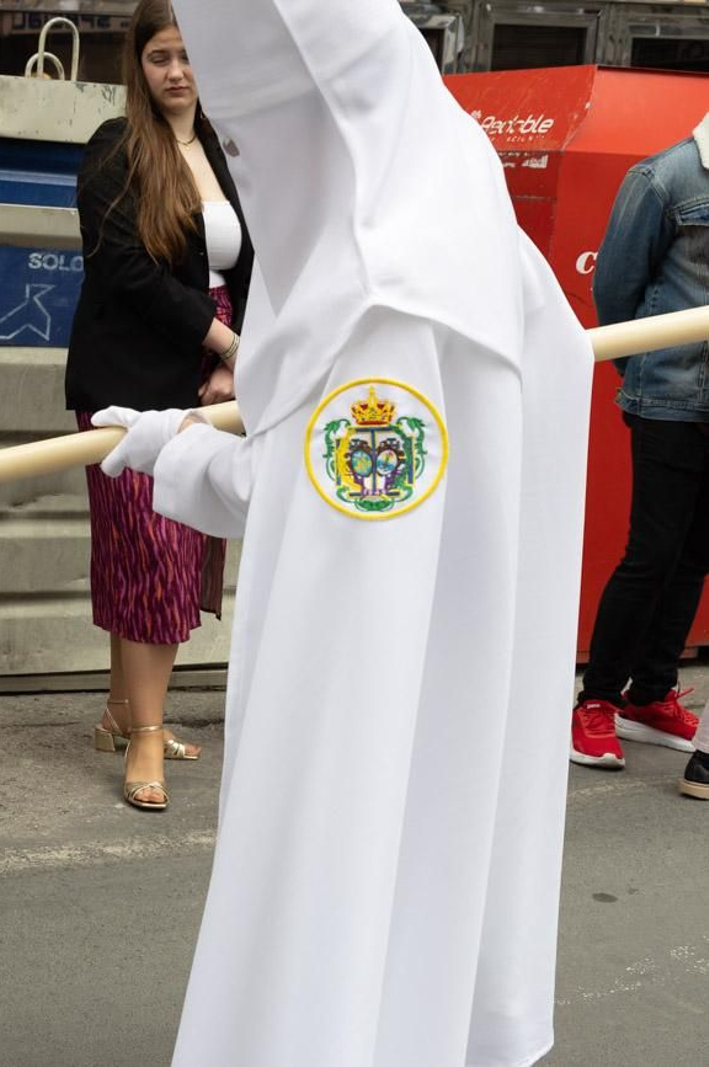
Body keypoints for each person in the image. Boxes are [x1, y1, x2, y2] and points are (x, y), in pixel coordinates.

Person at [94, 0, 591, 1061]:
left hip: (376, 695)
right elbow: (337, 494)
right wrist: (179, 443)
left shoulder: (383, 301)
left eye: (256, 140)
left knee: (341, 933)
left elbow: (331, 522)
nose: (251, 166)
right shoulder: (477, 241)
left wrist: (173, 454)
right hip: (450, 664)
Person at [66, 0, 250, 811]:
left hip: (210, 377)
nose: (177, 72)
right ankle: (145, 735)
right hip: (128, 384)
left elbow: (253, 262)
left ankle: (120, 711)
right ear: (136, 66)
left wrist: (235, 361)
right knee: (151, 558)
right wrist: (224, 345)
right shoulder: (116, 150)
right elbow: (125, 272)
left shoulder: (225, 147)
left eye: (189, 56)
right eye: (161, 57)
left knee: (160, 556)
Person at [574, 114, 709, 787]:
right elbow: (614, 292)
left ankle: (650, 693)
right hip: (669, 400)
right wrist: (645, 375)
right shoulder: (664, 176)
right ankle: (595, 699)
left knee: (694, 556)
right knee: (652, 552)